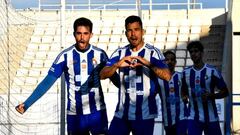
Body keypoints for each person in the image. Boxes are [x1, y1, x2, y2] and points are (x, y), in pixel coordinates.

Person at [15, 17, 115, 135]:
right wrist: (27, 103)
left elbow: (114, 77)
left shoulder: (100, 54)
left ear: (91, 35)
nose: (82, 38)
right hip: (75, 115)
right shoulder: (65, 56)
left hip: (97, 113)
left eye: (85, 34)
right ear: (74, 34)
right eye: (79, 33)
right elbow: (47, 82)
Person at [100, 15, 171, 135]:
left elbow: (167, 76)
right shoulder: (120, 52)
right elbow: (102, 75)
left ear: (142, 31)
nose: (133, 34)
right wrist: (117, 64)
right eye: (129, 30)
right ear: (126, 33)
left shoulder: (153, 52)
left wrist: (148, 64)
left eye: (136, 29)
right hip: (122, 114)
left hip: (145, 114)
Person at [181, 41, 229, 135]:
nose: (193, 54)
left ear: (202, 53)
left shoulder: (212, 71)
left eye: (196, 51)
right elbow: (183, 90)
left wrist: (212, 96)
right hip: (193, 117)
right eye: (191, 52)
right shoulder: (185, 73)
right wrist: (184, 96)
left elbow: (225, 92)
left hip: (211, 117)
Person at [157, 50, 188, 135]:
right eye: (167, 60)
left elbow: (187, 91)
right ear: (163, 62)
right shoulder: (158, 79)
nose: (169, 62)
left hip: (182, 116)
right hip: (167, 118)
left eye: (172, 60)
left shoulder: (181, 76)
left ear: (175, 62)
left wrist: (185, 96)